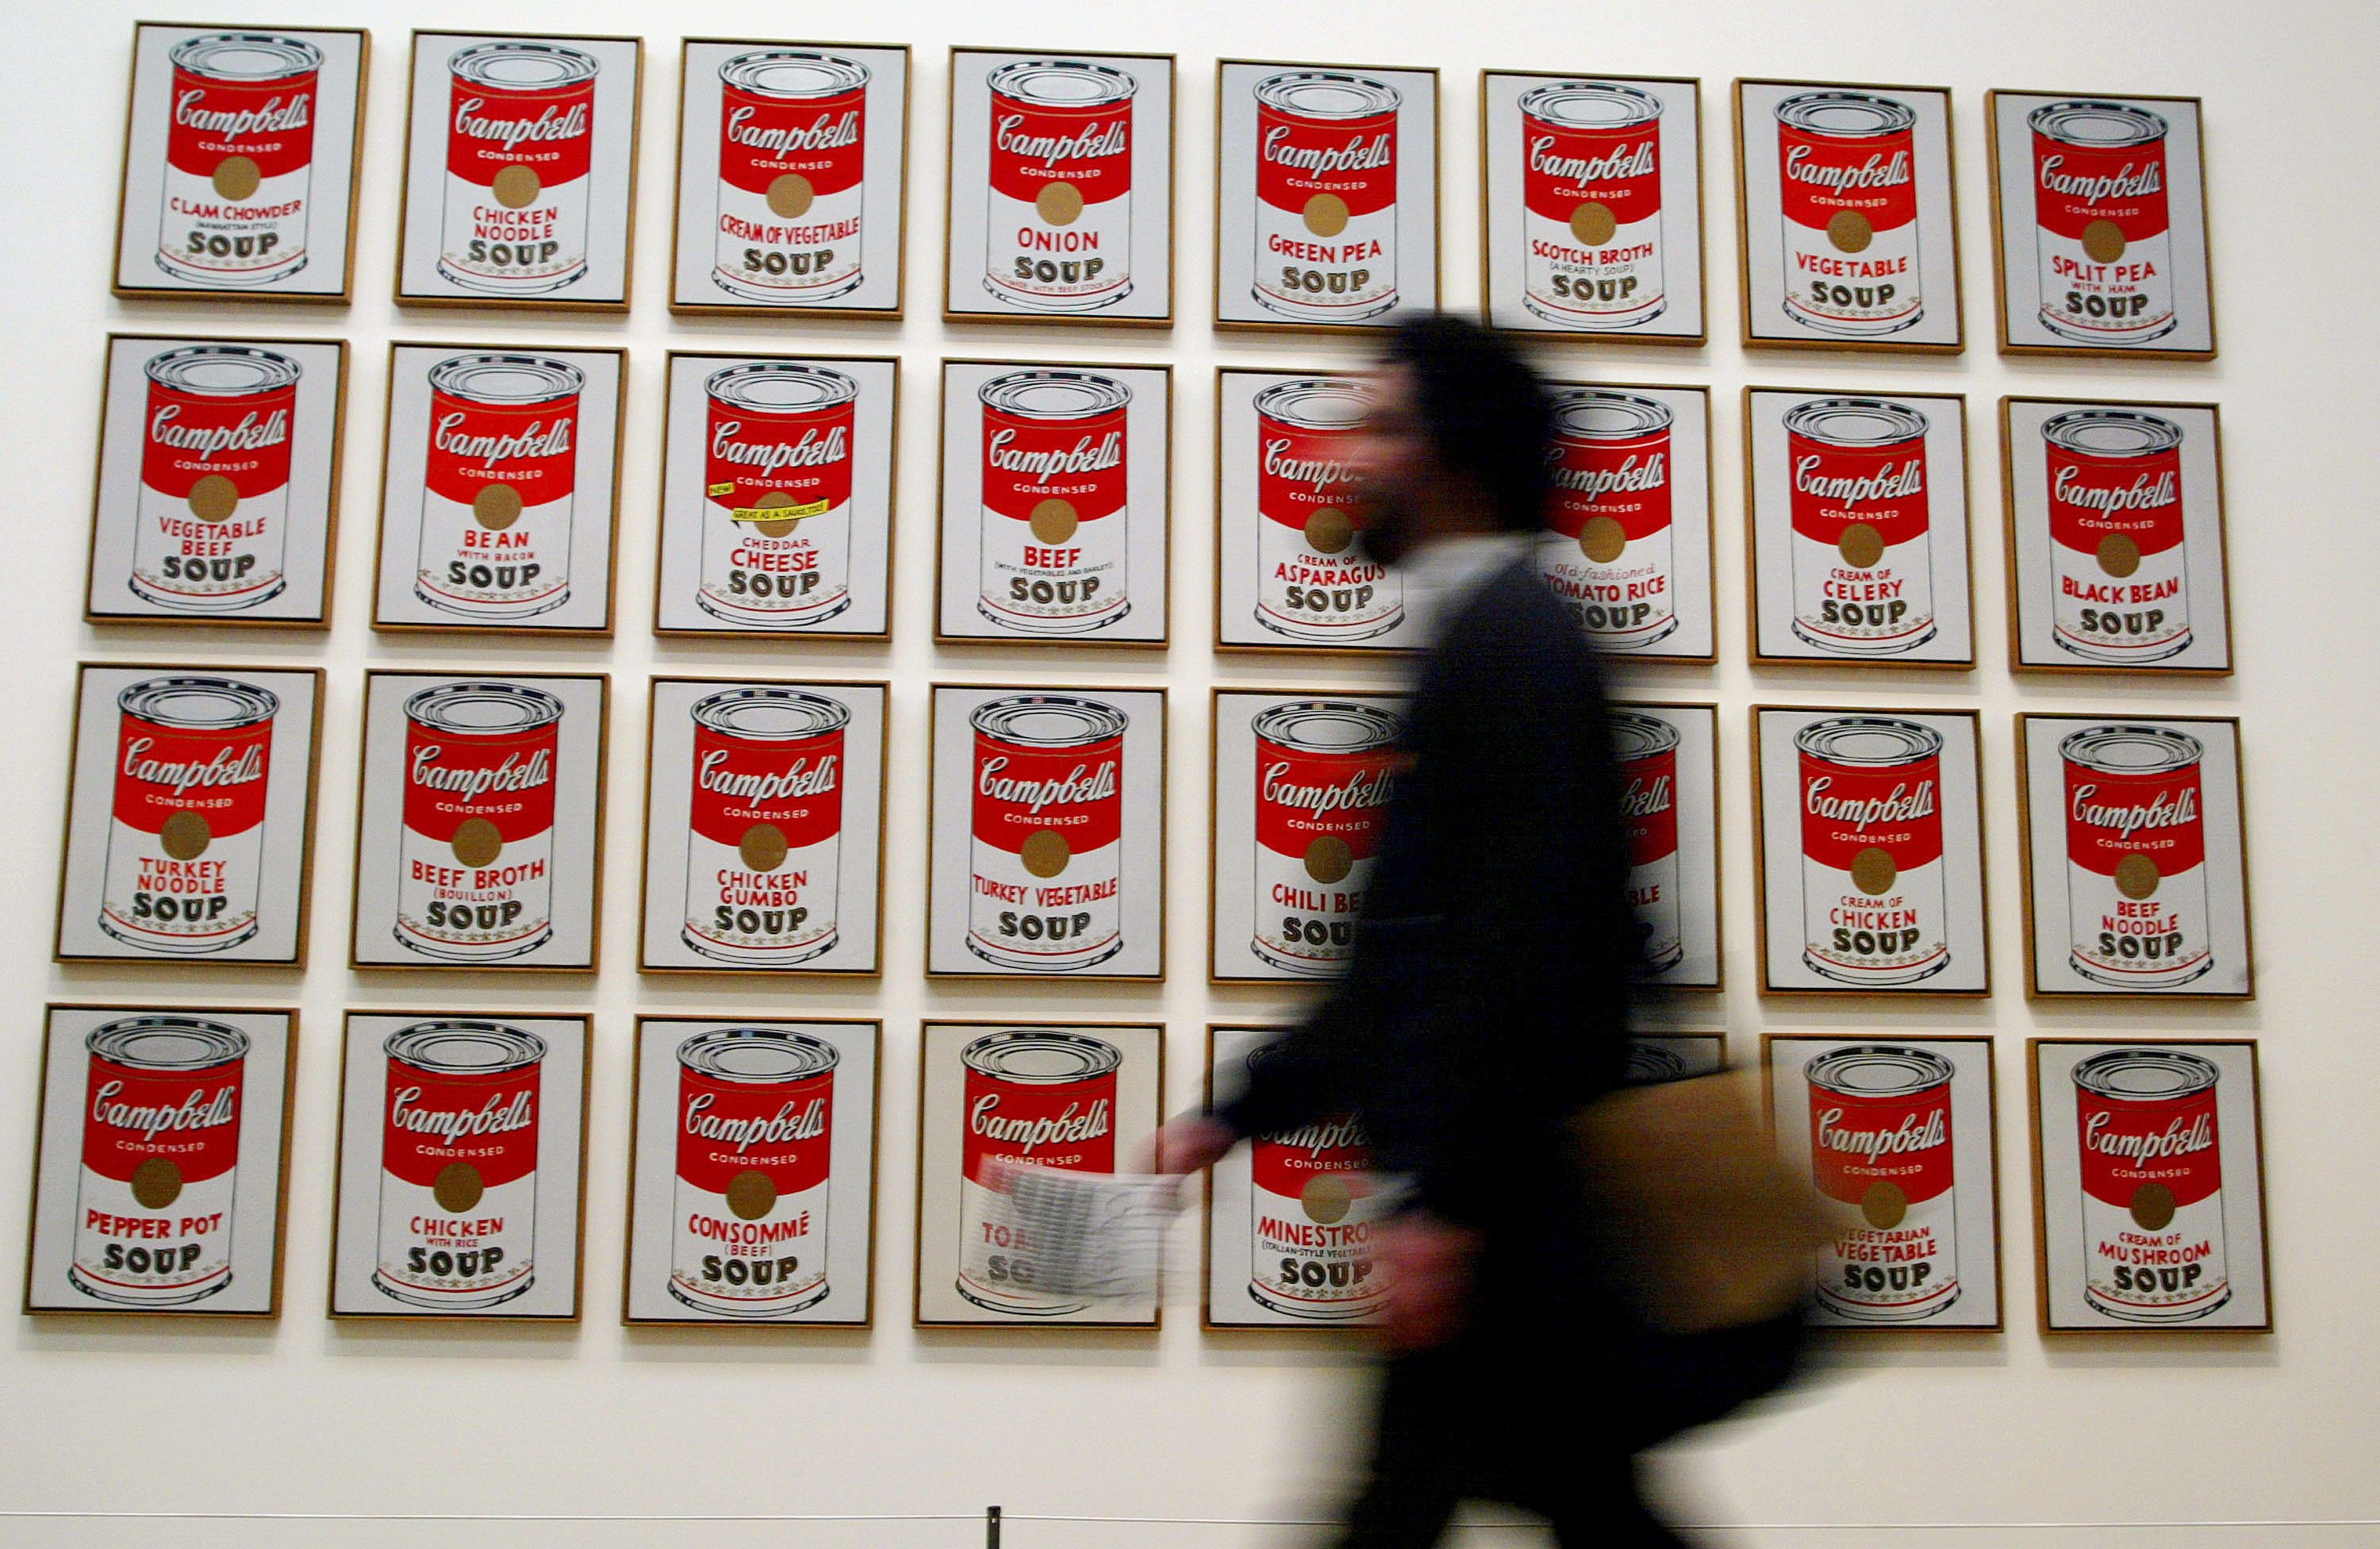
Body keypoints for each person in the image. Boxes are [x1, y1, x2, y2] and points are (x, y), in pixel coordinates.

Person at [1153, 313, 1687, 1546]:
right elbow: (1408, 965)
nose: (1345, 451)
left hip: (1507, 1219)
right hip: (1506, 1212)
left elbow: (1528, 957)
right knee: (1562, 1504)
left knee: (1427, 1509)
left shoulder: (1517, 647)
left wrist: (1449, 1203)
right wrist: (1233, 1114)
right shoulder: (1484, 638)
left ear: (1451, 457)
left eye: (1380, 422)